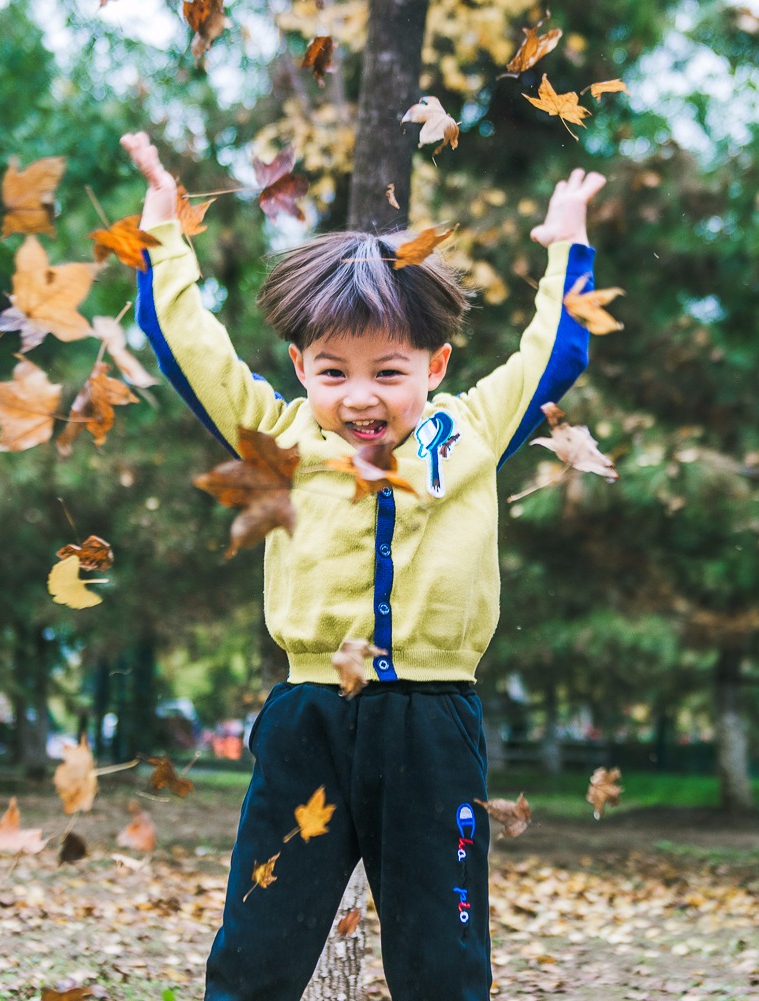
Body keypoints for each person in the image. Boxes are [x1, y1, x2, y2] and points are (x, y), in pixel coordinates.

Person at [121, 129, 606, 1001]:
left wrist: (568, 245)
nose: (361, 396)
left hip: (433, 729)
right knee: (257, 944)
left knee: (443, 957)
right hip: (309, 721)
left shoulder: (473, 430)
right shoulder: (277, 437)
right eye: (335, 371)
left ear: (436, 364)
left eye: (389, 369)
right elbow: (186, 345)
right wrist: (162, 233)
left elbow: (556, 350)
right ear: (302, 366)